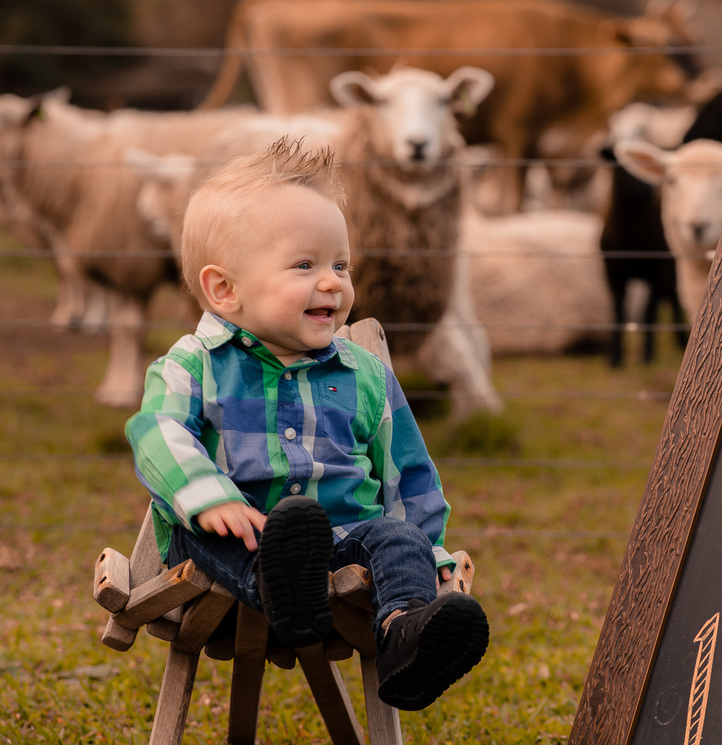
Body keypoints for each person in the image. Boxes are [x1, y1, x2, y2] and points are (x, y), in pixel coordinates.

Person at [125, 138, 488, 711]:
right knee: (218, 531)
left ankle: (407, 637)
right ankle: (280, 584)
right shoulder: (194, 364)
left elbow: (409, 474)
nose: (332, 282)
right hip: (236, 546)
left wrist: (432, 555)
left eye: (340, 264)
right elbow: (156, 433)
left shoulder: (364, 375)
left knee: (396, 537)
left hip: (348, 545)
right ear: (226, 289)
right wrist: (209, 497)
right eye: (304, 265)